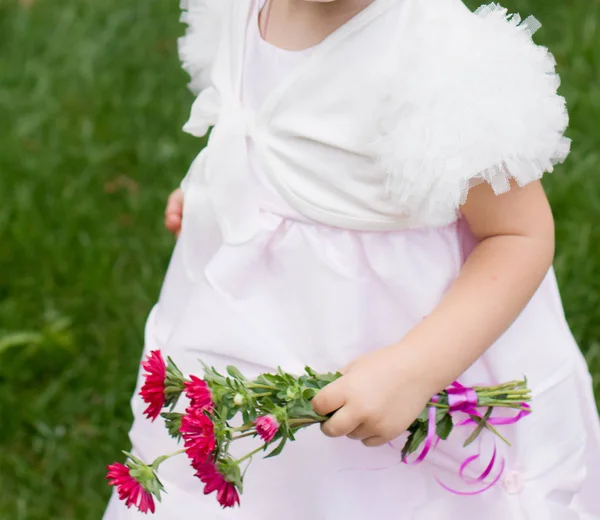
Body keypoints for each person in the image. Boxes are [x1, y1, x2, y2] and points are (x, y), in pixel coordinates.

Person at [104, 0, 600, 518]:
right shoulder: (243, 8)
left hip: (398, 346)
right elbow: (255, 121)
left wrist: (415, 369)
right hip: (247, 322)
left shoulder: (441, 57)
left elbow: (518, 234)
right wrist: (217, 188)